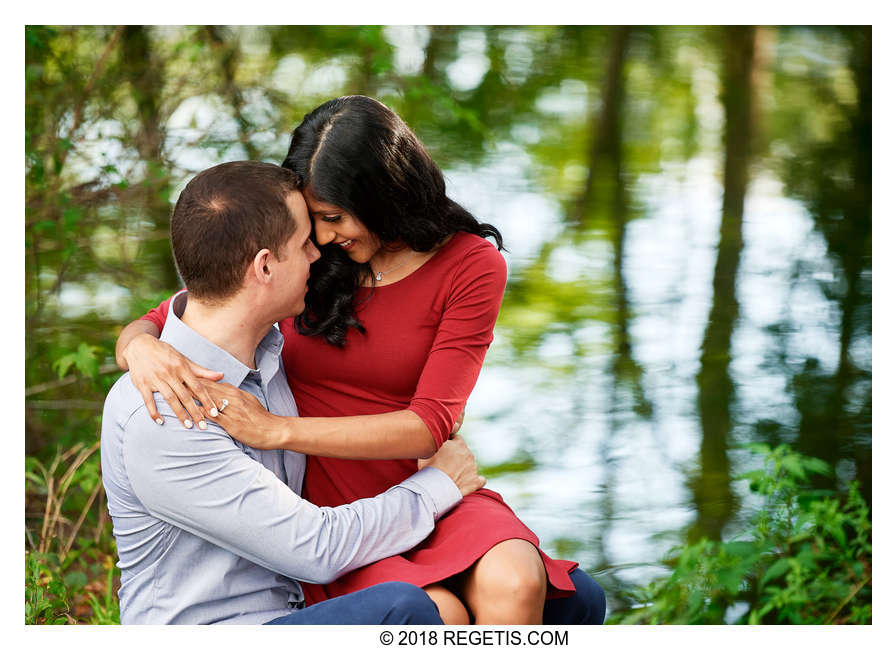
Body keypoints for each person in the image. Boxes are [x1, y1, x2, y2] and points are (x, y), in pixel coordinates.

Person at [115, 96, 606, 625]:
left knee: (518, 581)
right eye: (314, 221)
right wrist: (140, 345)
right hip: (330, 498)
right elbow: (190, 308)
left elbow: (429, 425)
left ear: (381, 196)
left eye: (333, 217)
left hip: (429, 473)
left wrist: (277, 430)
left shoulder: (471, 265)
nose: (323, 237)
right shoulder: (304, 262)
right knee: (439, 614)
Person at [101, 160, 487, 624]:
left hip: (295, 607)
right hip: (220, 628)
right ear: (264, 266)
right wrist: (440, 484)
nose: (317, 255)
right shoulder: (167, 412)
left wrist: (138, 339)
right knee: (407, 612)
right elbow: (316, 548)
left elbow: (187, 304)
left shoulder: (271, 352)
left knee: (573, 599)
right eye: (303, 243)